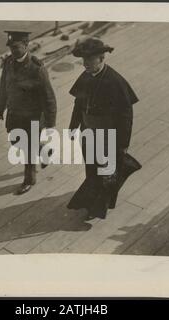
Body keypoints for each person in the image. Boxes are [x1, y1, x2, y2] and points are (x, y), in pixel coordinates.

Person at [67, 37, 141, 219]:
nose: (85, 64)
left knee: (106, 171)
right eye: (83, 60)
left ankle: (99, 207)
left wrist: (123, 143)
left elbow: (126, 116)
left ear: (101, 58)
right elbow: (79, 104)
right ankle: (91, 199)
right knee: (91, 168)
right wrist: (73, 126)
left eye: (89, 60)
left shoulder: (115, 81)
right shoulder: (85, 77)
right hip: (88, 133)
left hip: (108, 136)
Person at [0, 30, 57, 195]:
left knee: (28, 149)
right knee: (16, 141)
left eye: (16, 47)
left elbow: (49, 98)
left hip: (32, 117)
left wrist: (50, 124)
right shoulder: (9, 63)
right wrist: (0, 106)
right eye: (11, 48)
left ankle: (29, 180)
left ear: (26, 45)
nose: (13, 51)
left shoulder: (37, 69)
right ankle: (43, 150)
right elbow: (3, 87)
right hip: (15, 114)